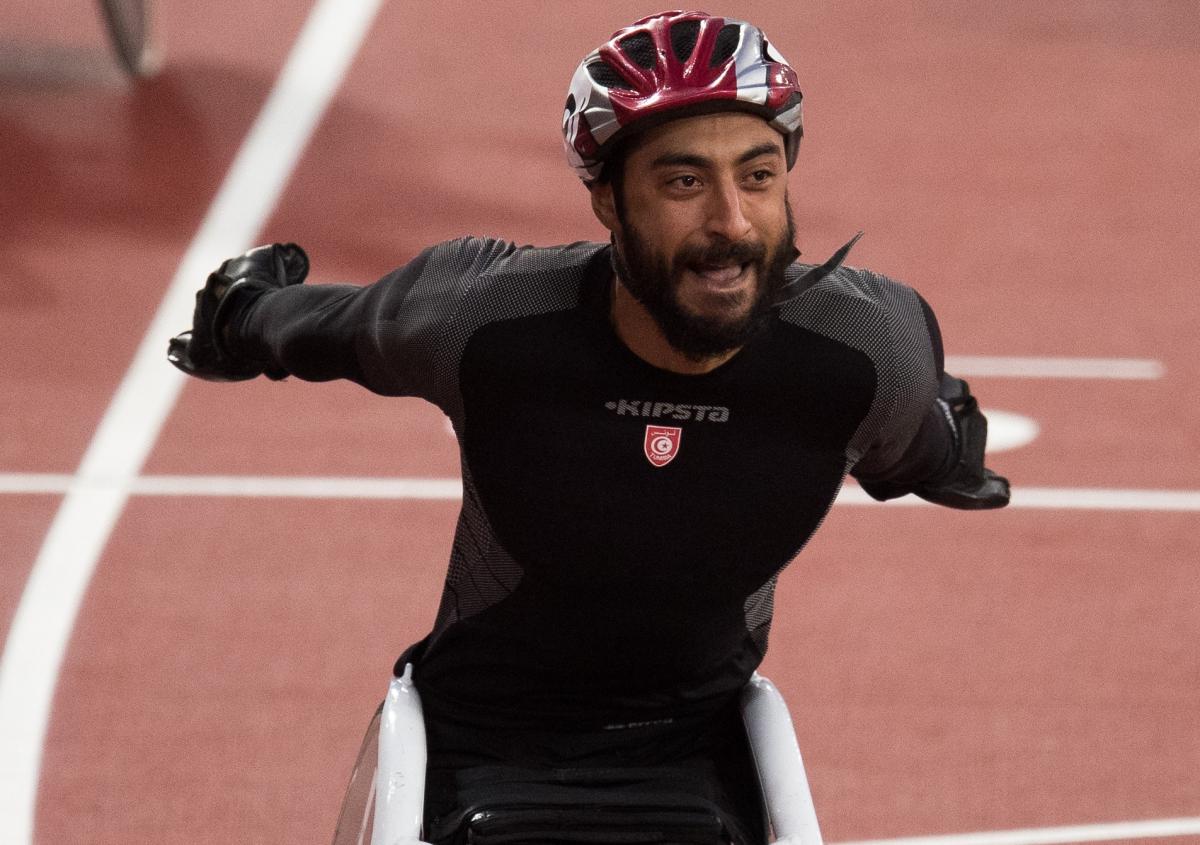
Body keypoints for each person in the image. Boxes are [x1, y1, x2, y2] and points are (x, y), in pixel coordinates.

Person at [168, 10, 1010, 844]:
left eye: (757, 176)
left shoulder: (867, 349)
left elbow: (925, 447)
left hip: (706, 755)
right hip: (469, 750)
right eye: (684, 183)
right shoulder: (488, 318)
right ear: (607, 198)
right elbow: (337, 328)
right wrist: (242, 314)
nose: (733, 224)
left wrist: (953, 451)